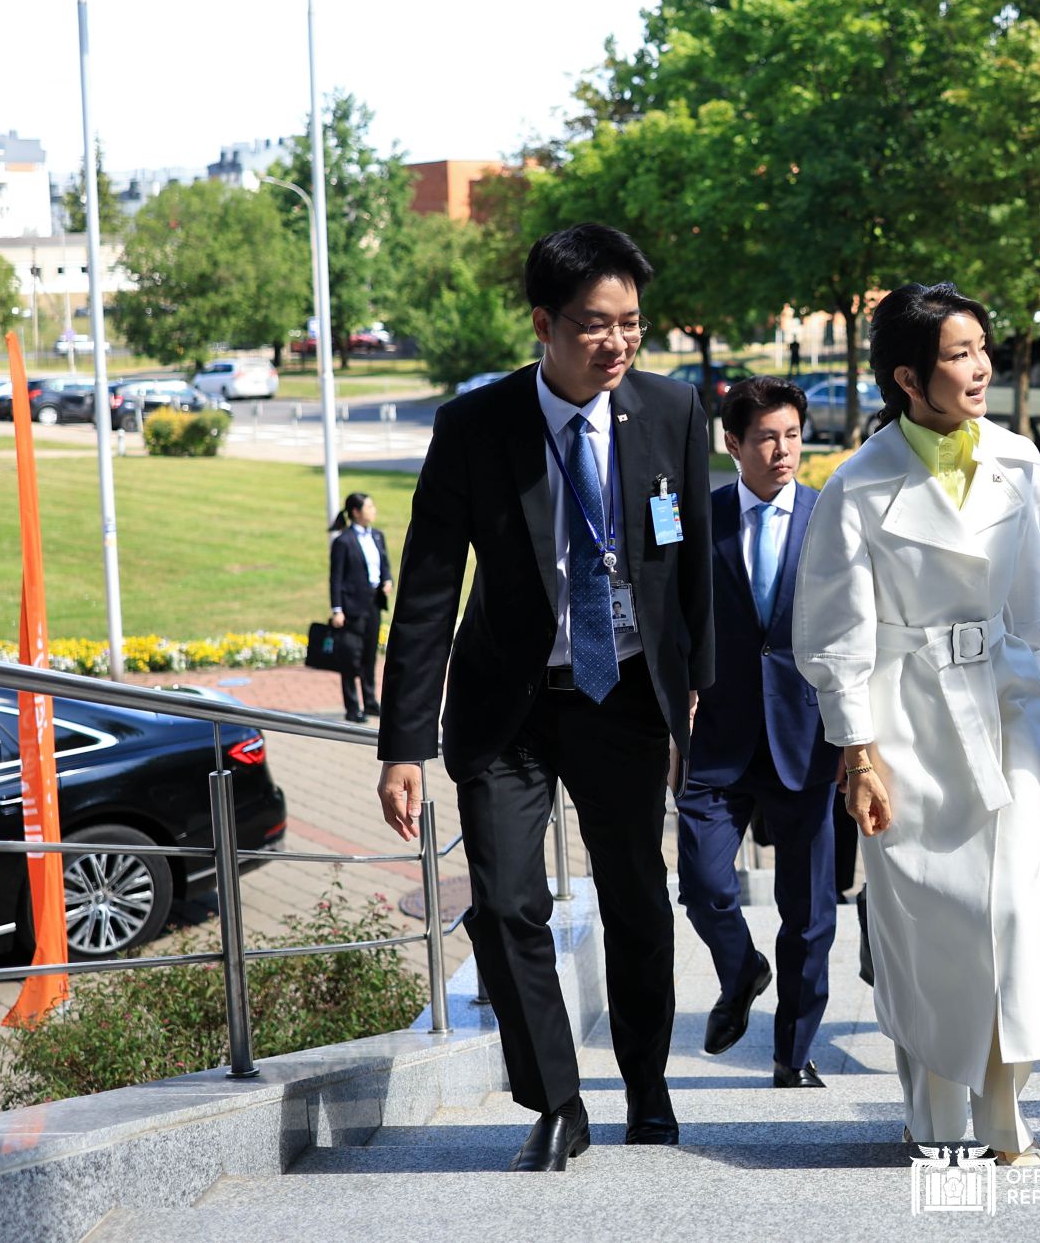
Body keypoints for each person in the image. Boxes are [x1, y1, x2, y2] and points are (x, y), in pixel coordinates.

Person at [375, 223, 715, 1171]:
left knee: (637, 901)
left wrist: (698, 692)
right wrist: (403, 742)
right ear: (543, 324)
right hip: (509, 703)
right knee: (507, 903)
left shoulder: (672, 412)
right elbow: (430, 588)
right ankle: (558, 1100)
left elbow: (690, 575)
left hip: (627, 699)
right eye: (595, 326)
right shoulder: (476, 428)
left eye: (632, 326)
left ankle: (647, 1081)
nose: (617, 345)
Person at [793, 282, 1040, 1167]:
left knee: (1016, 911)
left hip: (1003, 707)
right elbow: (832, 632)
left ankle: (1006, 1121)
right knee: (925, 925)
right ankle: (936, 1120)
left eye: (983, 347)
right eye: (958, 354)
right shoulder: (857, 486)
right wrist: (856, 751)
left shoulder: (1020, 462)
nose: (980, 367)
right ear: (908, 376)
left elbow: (1031, 600)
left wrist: (1027, 682)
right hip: (902, 720)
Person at [677, 376, 837, 1090]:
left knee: (810, 914)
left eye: (793, 435)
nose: (783, 451)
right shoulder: (695, 520)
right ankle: (740, 968)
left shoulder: (831, 519)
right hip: (721, 736)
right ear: (733, 443)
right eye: (767, 437)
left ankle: (792, 1054)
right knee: (705, 883)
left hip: (809, 737)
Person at [326, 491, 391, 724]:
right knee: (350, 659)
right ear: (356, 512)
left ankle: (371, 701)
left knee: (369, 656)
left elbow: (384, 564)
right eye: (369, 507)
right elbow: (336, 578)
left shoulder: (377, 536)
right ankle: (352, 707)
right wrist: (337, 609)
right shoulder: (343, 541)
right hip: (352, 608)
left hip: (373, 605)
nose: (373, 510)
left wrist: (387, 580)